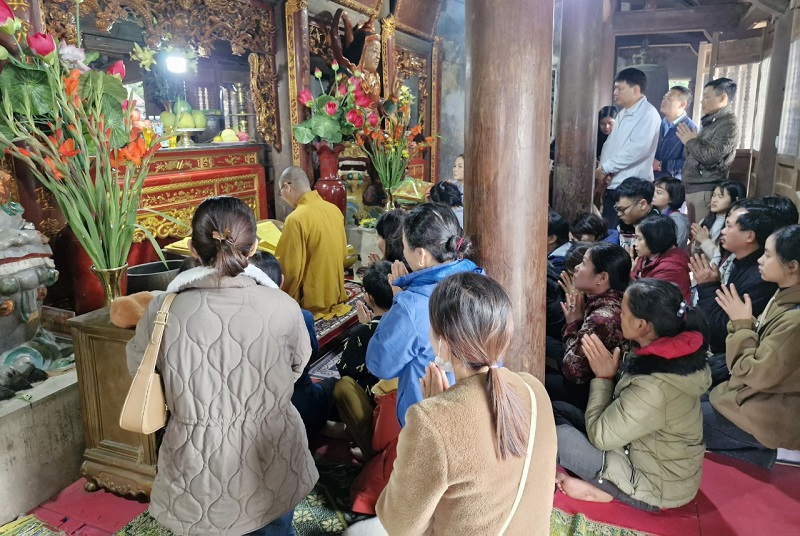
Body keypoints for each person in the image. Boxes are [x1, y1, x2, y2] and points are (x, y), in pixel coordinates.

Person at [126, 196, 317, 535]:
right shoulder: (283, 305)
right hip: (270, 453)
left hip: (196, 464)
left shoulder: (162, 311)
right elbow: (298, 366)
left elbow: (139, 370)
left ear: (193, 250)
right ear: (255, 246)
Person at [374, 273, 557, 535]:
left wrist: (437, 410)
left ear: (443, 344)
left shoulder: (430, 422)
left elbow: (398, 524)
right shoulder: (533, 387)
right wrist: (441, 409)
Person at [555, 278, 711, 511]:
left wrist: (603, 378)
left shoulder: (656, 386)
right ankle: (601, 484)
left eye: (624, 312)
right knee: (558, 409)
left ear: (642, 325)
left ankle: (606, 491)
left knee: (557, 438)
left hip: (654, 485)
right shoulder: (668, 352)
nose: (618, 316)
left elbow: (601, 436)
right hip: (636, 449)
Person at [366, 203, 483, 428]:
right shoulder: (481, 279)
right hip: (476, 407)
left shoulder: (413, 305)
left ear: (420, 255)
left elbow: (379, 363)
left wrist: (400, 301)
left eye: (404, 245)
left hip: (430, 418)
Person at [704, 224, 800, 468]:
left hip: (765, 414)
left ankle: (760, 449)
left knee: (670, 420)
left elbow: (755, 373)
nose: (761, 259)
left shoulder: (795, 321)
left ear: (792, 266)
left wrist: (742, 323)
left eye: (768, 255)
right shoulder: (785, 294)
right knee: (682, 400)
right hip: (748, 397)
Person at [546, 242, 631, 410]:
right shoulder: (612, 298)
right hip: (593, 381)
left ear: (602, 278)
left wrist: (573, 323)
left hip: (602, 394)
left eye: (584, 263)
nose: (576, 268)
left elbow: (574, 371)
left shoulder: (603, 318)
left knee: (537, 381)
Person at [690, 205, 779, 355]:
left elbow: (721, 331)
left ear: (749, 236)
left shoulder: (760, 277)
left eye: (729, 226)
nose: (723, 231)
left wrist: (707, 286)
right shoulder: (738, 260)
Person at [333, 260, 393, 459]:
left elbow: (345, 370)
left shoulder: (362, 332)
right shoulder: (408, 324)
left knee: (339, 386)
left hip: (378, 410)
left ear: (368, 297)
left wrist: (363, 329)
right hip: (402, 410)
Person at [275, 166, 351, 320]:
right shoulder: (333, 209)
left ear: (287, 187)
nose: (282, 197)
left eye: (280, 192)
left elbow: (290, 269)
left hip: (313, 303)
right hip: (335, 293)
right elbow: (343, 254)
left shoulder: (296, 219)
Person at [595, 68, 661, 229]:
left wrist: (607, 168)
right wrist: (604, 171)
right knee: (610, 231)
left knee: (626, 233)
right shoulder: (623, 113)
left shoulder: (648, 114)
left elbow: (638, 149)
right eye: (615, 88)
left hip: (633, 186)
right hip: (615, 182)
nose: (615, 92)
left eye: (620, 88)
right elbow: (610, 145)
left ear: (635, 90)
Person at [677, 78, 740, 223]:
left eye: (707, 97)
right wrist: (690, 143)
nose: (702, 101)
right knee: (694, 234)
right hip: (694, 186)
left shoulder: (728, 124)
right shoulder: (712, 121)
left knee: (701, 234)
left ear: (723, 97)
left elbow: (711, 157)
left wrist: (690, 141)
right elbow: (692, 154)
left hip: (705, 188)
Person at [631, 214, 691, 301]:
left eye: (639, 239)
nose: (635, 243)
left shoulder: (671, 269)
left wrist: (631, 274)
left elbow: (648, 301)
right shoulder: (647, 254)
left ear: (654, 238)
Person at [691, 181, 746, 265]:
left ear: (735, 199)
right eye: (713, 195)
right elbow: (693, 254)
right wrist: (698, 242)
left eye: (720, 197)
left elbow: (723, 261)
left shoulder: (734, 227)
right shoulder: (705, 221)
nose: (714, 200)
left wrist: (705, 241)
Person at [654, 86, 696, 180]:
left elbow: (691, 162)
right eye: (664, 98)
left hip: (673, 183)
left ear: (682, 104)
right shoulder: (659, 123)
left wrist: (661, 165)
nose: (664, 101)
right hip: (652, 179)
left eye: (669, 99)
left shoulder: (690, 129)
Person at [613, 177, 661, 251]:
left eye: (622, 209)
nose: (619, 214)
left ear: (642, 204)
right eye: (617, 209)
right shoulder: (626, 218)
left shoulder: (657, 228)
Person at [653, 177, 690, 250]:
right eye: (653, 191)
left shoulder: (678, 222)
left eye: (659, 192)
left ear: (671, 198)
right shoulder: (656, 214)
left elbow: (675, 248)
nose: (653, 195)